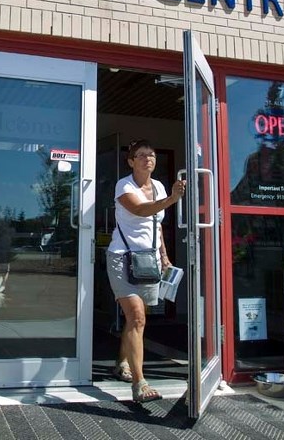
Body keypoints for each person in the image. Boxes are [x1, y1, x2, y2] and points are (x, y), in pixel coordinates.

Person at [106, 139, 185, 403]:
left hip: (148, 261)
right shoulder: (124, 185)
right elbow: (141, 210)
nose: (147, 159)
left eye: (151, 155)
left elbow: (156, 226)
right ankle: (140, 384)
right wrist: (173, 199)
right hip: (122, 258)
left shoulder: (159, 186)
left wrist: (164, 257)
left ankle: (121, 364)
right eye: (140, 155)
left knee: (136, 320)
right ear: (131, 161)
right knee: (137, 317)